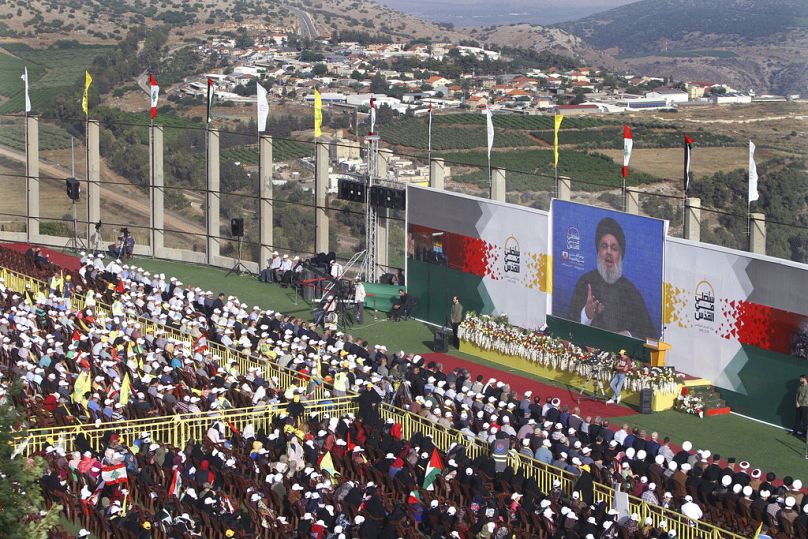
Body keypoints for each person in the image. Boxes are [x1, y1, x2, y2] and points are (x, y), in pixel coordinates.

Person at [566, 217, 656, 339]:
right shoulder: (585, 282)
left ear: (620, 255)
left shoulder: (631, 291)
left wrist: (628, 335)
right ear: (598, 251)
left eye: (614, 248)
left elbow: (650, 334)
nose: (609, 252)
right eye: (604, 246)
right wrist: (586, 315)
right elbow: (567, 327)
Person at [795, 374, 808, 438]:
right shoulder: (800, 386)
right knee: (797, 419)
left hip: (805, 406)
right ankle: (795, 432)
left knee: (804, 420)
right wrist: (796, 402)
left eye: (801, 378)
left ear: (804, 379)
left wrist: (799, 403)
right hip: (798, 405)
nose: (800, 379)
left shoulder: (807, 387)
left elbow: (806, 397)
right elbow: (797, 394)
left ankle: (804, 434)